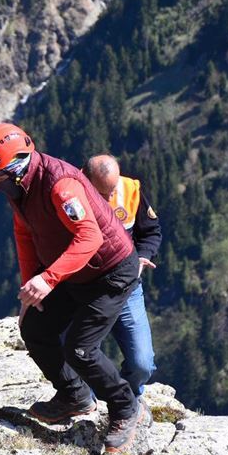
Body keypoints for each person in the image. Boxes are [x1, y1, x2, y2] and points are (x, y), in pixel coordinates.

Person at [0, 123, 147, 453]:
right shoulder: (21, 187)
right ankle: (74, 396)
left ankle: (125, 406)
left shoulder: (60, 184)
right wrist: (30, 288)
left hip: (110, 273)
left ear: (18, 166)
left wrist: (47, 279)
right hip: (74, 270)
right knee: (34, 327)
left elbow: (90, 237)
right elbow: (24, 233)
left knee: (81, 349)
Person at [84, 154, 162, 397]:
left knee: (142, 364)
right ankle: (87, 403)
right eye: (102, 193)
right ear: (85, 180)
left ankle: (127, 399)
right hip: (85, 291)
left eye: (112, 190)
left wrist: (143, 255)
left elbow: (151, 232)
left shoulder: (130, 190)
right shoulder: (68, 193)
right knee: (80, 355)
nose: (109, 198)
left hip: (127, 288)